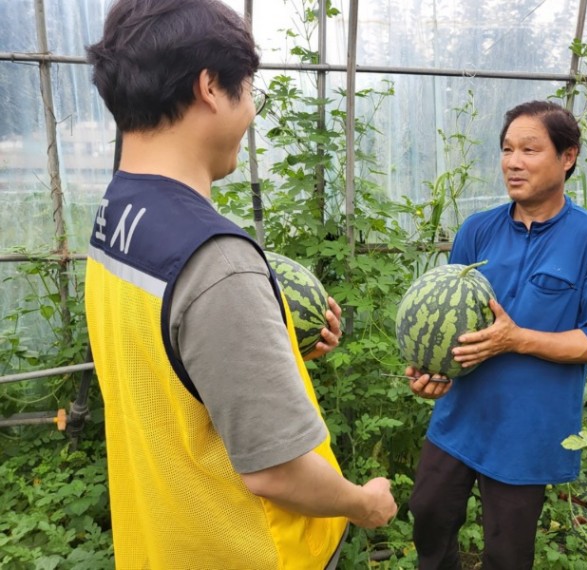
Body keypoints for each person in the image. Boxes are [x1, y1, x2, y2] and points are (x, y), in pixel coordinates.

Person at [83, 1, 397, 568]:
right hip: (245, 550)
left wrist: (273, 355)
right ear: (210, 87)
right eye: (248, 88)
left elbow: (171, 364)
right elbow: (277, 472)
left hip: (164, 540)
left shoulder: (117, 212)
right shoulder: (218, 262)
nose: (251, 107)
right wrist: (364, 505)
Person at [405, 100, 587, 569]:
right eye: (507, 149)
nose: (513, 162)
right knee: (428, 516)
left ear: (567, 157)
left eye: (530, 149)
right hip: (459, 417)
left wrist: (517, 339)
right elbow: (448, 321)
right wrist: (433, 373)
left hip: (527, 430)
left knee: (507, 554)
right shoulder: (477, 229)